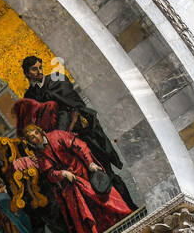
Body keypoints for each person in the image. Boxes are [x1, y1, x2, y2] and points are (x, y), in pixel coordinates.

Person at [20, 55, 134, 209]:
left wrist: (69, 130)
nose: (39, 71)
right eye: (34, 69)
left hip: (81, 133)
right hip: (60, 147)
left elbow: (75, 106)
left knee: (104, 173)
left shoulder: (57, 80)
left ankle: (129, 206)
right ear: (27, 73)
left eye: (40, 67)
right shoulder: (29, 97)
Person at [22, 123, 133, 233]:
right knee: (83, 211)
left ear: (40, 131)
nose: (35, 137)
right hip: (70, 184)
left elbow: (80, 147)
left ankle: (125, 222)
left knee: (104, 199)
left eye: (36, 133)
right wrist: (62, 173)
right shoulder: (40, 155)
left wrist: (90, 163)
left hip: (84, 173)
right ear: (30, 141)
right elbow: (50, 174)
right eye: (31, 137)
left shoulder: (57, 135)